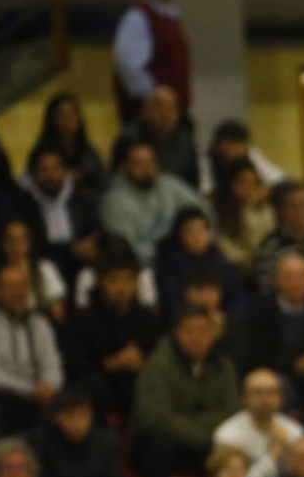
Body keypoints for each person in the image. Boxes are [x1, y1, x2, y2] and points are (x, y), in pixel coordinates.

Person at [131, 308, 240, 477]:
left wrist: (187, 420)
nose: (196, 338)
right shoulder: (158, 365)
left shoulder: (224, 366)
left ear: (213, 335)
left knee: (232, 443)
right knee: (159, 440)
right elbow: (157, 418)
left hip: (204, 443)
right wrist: (205, 434)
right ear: (176, 334)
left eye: (203, 331)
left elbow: (231, 413)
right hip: (169, 445)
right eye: (189, 331)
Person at [63, 238, 164, 417]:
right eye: (114, 280)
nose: (122, 288)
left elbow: (161, 359)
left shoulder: (148, 320)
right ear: (101, 281)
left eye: (128, 280)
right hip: (100, 392)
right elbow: (73, 366)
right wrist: (112, 364)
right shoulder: (83, 320)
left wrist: (143, 365)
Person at [0, 263, 64, 434]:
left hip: (41, 394)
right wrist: (30, 390)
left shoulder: (38, 322)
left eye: (23, 286)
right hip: (7, 398)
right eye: (11, 287)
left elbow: (52, 364)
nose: (18, 293)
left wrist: (49, 385)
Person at [100, 138, 206, 266]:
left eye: (151, 161)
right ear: (123, 166)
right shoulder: (113, 202)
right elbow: (126, 249)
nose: (147, 169)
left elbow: (205, 213)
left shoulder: (170, 185)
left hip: (187, 258)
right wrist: (173, 253)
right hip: (145, 268)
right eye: (139, 163)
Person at [236, 252, 304, 389]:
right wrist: (294, 365)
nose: (296, 282)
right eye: (289, 276)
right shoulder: (260, 310)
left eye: (301, 276)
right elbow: (256, 355)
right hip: (273, 376)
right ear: (277, 280)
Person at [112, 0, 190, 120]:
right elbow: (128, 64)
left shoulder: (171, 17)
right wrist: (154, 98)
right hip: (149, 115)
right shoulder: (138, 16)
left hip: (173, 112)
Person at [212, 368, 304, 477]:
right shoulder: (228, 435)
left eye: (271, 392)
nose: (265, 399)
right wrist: (272, 456)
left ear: (281, 397)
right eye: (257, 393)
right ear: (244, 398)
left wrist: (290, 456)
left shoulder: (295, 431)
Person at [17, 146, 102, 284]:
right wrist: (69, 249)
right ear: (33, 174)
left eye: (55, 168)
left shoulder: (81, 197)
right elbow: (31, 243)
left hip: (81, 261)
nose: (50, 175)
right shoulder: (24, 203)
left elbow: (94, 230)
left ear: (65, 170)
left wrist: (90, 244)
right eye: (43, 169)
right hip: (43, 262)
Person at [153, 207, 244, 316]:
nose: (197, 237)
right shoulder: (168, 264)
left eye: (201, 230)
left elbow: (238, 296)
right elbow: (170, 301)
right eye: (190, 232)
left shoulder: (218, 258)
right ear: (178, 235)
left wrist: (225, 317)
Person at [253, 182, 304, 294]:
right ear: (282, 210)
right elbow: (265, 289)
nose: (300, 211)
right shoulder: (270, 247)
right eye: (293, 205)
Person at [113, 86, 198, 188]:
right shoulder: (129, 140)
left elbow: (193, 185)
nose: (165, 115)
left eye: (171, 108)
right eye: (158, 107)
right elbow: (115, 180)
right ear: (144, 111)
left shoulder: (186, 142)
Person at [0, 217, 68, 320]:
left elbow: (57, 312)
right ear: (3, 244)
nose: (15, 246)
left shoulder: (45, 269)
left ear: (28, 242)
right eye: (10, 240)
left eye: (20, 240)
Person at [212, 157, 276, 274]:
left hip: (266, 268)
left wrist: (249, 207)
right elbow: (229, 253)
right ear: (230, 184)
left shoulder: (265, 208)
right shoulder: (219, 213)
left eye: (254, 183)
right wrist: (246, 209)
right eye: (243, 183)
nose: (249, 189)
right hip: (236, 272)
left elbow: (267, 241)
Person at [196, 119, 284, 199]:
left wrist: (259, 192)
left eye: (240, 144)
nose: (236, 149)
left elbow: (280, 180)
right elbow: (207, 192)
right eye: (230, 144)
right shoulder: (205, 162)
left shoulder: (251, 155)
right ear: (217, 145)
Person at [33, 93, 106, 191]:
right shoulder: (43, 152)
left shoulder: (88, 152)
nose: (67, 120)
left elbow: (102, 181)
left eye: (71, 114)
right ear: (52, 119)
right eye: (61, 115)